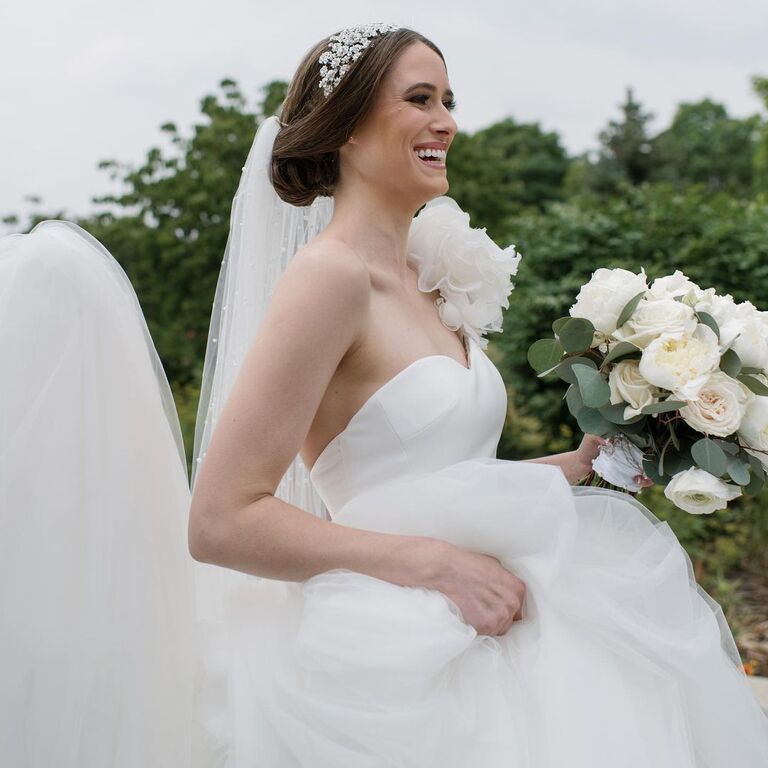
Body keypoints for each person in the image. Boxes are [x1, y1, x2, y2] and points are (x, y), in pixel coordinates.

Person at [1, 22, 767, 768]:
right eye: (421, 99)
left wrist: (575, 462)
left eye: (448, 99)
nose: (448, 122)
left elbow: (432, 478)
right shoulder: (330, 281)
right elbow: (221, 520)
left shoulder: (431, 278)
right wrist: (435, 565)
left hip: (498, 620)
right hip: (396, 654)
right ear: (346, 128)